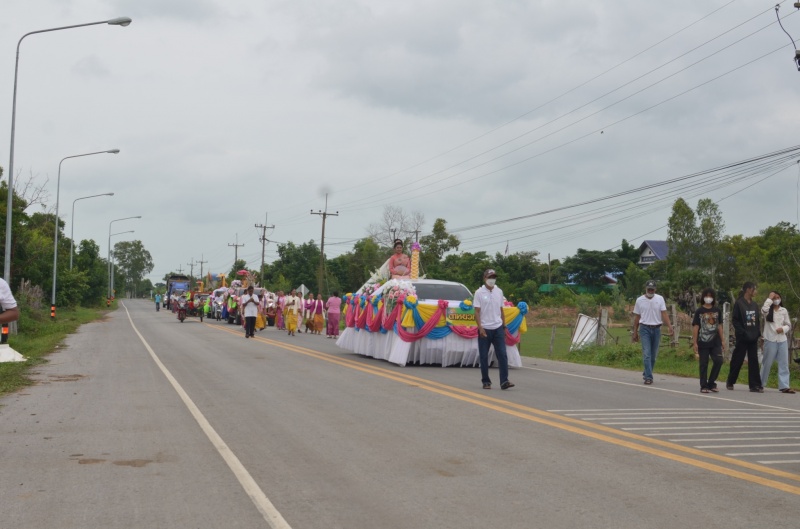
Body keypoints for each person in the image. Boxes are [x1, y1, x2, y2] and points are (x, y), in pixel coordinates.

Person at [474, 269, 514, 390]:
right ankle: (486, 381)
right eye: (490, 277)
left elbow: (501, 310)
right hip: (485, 328)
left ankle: (504, 381)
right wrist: (480, 327)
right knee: (484, 356)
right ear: (485, 278)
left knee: (502, 354)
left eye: (494, 277)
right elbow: (477, 312)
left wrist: (504, 326)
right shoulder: (479, 293)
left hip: (498, 327)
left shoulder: (499, 291)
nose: (492, 280)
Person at [632, 280, 674, 385]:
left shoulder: (660, 299)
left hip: (656, 329)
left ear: (655, 289)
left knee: (653, 355)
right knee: (647, 354)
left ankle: (646, 372)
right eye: (649, 289)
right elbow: (637, 317)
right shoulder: (639, 300)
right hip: (644, 328)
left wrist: (670, 326)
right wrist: (635, 332)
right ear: (645, 289)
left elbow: (664, 313)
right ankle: (649, 377)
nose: (650, 291)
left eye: (652, 289)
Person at [727, 282, 762, 392]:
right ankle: (731, 381)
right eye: (754, 289)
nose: (755, 291)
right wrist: (742, 332)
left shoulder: (754, 305)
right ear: (748, 290)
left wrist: (757, 333)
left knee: (754, 360)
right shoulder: (739, 303)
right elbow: (735, 320)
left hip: (753, 337)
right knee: (738, 359)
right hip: (743, 337)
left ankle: (755, 385)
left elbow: (757, 320)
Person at [760, 291, 795, 394]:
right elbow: (763, 310)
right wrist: (769, 299)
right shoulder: (767, 311)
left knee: (784, 363)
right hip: (770, 339)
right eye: (774, 298)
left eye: (778, 297)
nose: (776, 300)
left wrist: (783, 329)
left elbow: (788, 324)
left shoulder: (783, 310)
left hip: (782, 340)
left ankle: (784, 386)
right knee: (767, 363)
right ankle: (760, 383)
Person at [691, 288, 724, 393]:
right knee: (703, 363)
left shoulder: (717, 311)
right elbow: (696, 327)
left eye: (710, 296)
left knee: (719, 361)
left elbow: (719, 326)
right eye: (707, 296)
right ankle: (704, 385)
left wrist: (723, 340)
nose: (708, 298)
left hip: (715, 341)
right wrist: (695, 342)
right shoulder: (699, 311)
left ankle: (711, 382)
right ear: (703, 297)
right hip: (703, 341)